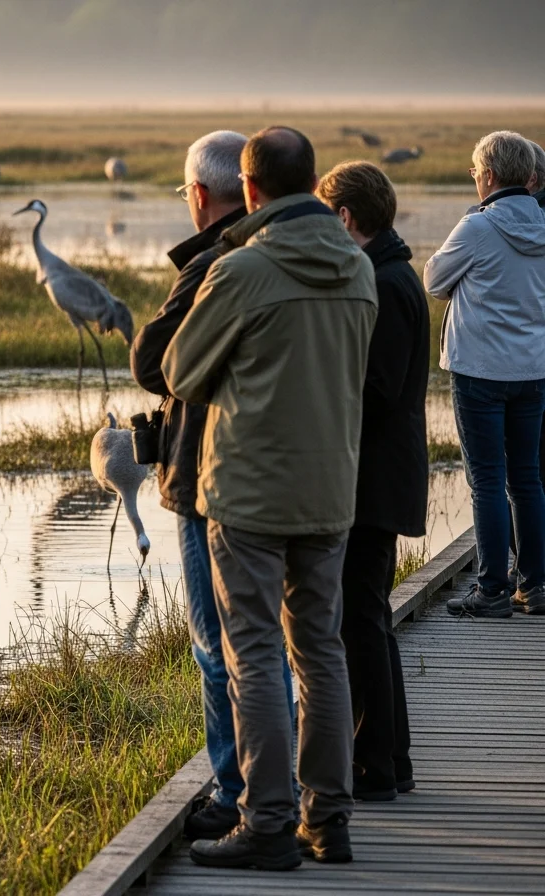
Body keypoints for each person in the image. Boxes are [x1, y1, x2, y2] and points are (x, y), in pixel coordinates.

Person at [164, 127, 377, 870]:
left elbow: (181, 370)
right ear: (313, 183)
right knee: (321, 651)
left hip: (248, 494)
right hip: (331, 490)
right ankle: (332, 820)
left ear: (249, 191)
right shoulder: (358, 264)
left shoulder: (242, 270)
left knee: (254, 655)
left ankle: (267, 822)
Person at [131, 130, 294, 841]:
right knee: (280, 641)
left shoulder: (219, 262)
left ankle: (237, 794)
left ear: (200, 195)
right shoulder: (286, 251)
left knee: (221, 643)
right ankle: (278, 788)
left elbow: (152, 360)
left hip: (210, 475)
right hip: (283, 472)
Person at [316, 161, 429, 802]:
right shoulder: (392, 273)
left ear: (345, 218)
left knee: (360, 620)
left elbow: (377, 393)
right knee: (369, 618)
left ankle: (376, 767)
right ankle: (391, 760)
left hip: (375, 478)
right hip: (383, 473)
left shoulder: (385, 284)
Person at [424, 131, 545, 618]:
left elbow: (433, 280)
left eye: (476, 172)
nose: (475, 180)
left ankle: (492, 589)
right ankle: (535, 587)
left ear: (489, 176)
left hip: (479, 373)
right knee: (529, 480)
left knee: (489, 481)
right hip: (534, 370)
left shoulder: (476, 227)